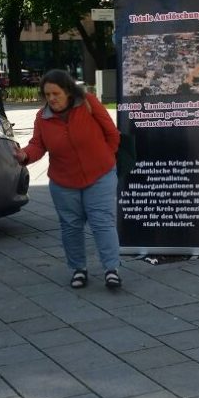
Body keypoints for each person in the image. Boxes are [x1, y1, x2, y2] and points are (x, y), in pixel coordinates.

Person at [13, 69, 122, 289]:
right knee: (71, 226)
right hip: (63, 181)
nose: (52, 98)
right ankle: (78, 269)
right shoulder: (42, 117)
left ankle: (111, 269)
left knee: (102, 222)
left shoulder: (88, 103)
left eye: (56, 93)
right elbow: (38, 145)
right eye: (47, 94)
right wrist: (25, 155)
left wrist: (105, 157)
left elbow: (112, 133)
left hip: (100, 175)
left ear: (68, 91)